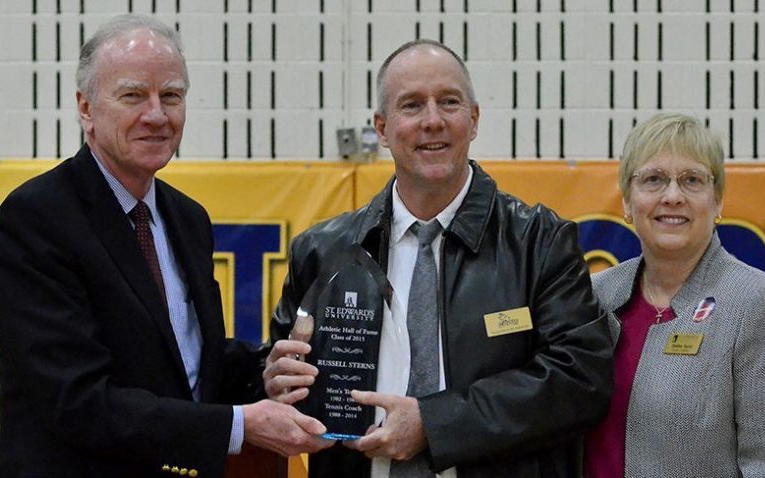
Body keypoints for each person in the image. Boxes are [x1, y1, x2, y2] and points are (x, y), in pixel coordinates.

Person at [0, 14, 330, 478]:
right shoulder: (37, 217)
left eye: (171, 95)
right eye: (132, 95)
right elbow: (76, 400)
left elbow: (183, 362)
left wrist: (264, 371)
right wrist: (238, 424)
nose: (156, 115)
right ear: (86, 108)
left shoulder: (187, 218)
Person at [262, 39, 614, 477]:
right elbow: (283, 367)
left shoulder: (540, 243)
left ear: (474, 119)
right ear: (382, 128)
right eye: (412, 106)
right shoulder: (322, 251)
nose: (433, 121)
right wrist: (274, 379)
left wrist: (435, 422)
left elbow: (580, 380)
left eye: (449, 102)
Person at [583, 113, 765, 477]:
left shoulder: (758, 305)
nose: (672, 196)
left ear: (718, 201)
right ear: (628, 202)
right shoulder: (594, 296)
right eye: (653, 180)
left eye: (692, 180)